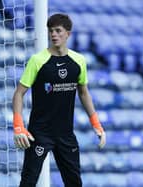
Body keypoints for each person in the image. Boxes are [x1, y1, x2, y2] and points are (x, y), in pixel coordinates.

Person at [12, 13, 106, 187]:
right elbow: (19, 93)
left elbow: (84, 93)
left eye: (58, 31)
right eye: (50, 31)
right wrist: (18, 126)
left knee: (75, 183)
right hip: (39, 134)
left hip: (65, 134)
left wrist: (96, 123)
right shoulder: (37, 60)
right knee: (28, 182)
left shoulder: (79, 61)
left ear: (68, 34)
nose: (53, 34)